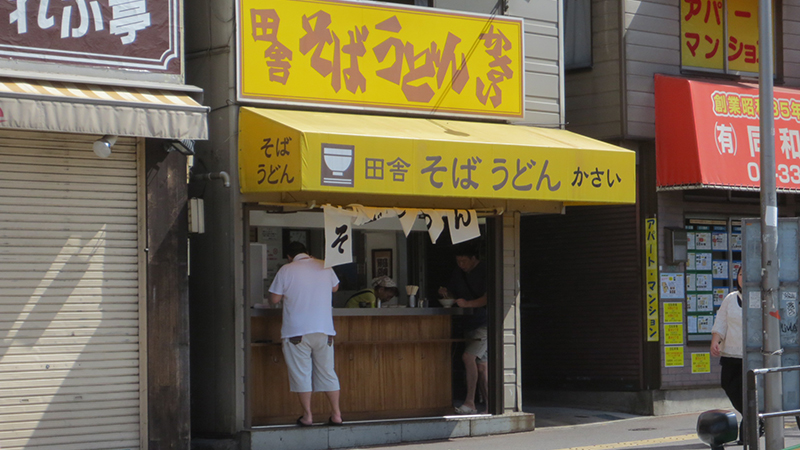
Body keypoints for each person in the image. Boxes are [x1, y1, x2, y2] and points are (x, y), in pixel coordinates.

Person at [268, 241, 343, 426]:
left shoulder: (286, 269)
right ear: (307, 252)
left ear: (289, 256)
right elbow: (335, 287)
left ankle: (308, 416)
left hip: (297, 332)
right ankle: (336, 415)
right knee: (327, 372)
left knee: (302, 374)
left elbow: (274, 299)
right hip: (324, 330)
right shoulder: (324, 265)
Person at [710, 268, 760, 441]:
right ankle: (754, 418)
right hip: (731, 353)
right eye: (740, 274)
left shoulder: (761, 297)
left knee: (749, 392)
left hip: (753, 355)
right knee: (728, 385)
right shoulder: (730, 298)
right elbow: (721, 321)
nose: (742, 277)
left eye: (745, 274)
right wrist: (715, 340)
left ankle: (751, 424)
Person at [438, 242, 487, 415]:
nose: (461, 265)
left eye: (464, 261)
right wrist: (446, 294)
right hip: (469, 322)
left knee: (468, 357)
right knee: (481, 366)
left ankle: (470, 403)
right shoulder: (458, 273)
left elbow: (490, 297)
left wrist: (468, 303)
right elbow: (453, 293)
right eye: (458, 261)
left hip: (485, 323)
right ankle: (490, 405)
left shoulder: (486, 270)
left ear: (474, 259)